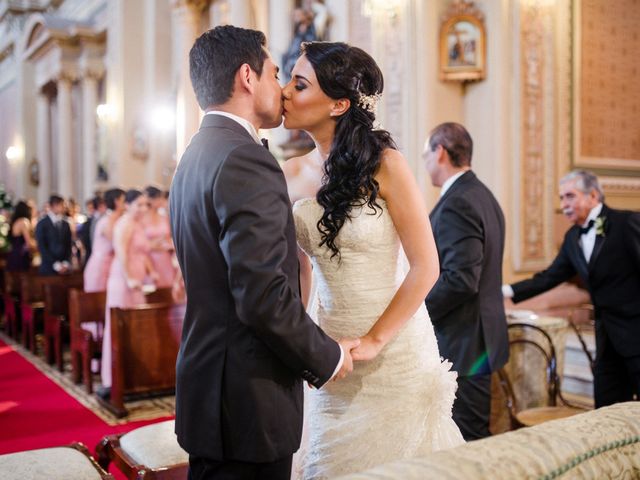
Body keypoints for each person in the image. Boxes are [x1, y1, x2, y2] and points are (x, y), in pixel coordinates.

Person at [169, 26, 357, 480]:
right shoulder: (243, 158)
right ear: (248, 77)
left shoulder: (195, 154)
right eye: (276, 74)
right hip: (246, 403)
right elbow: (262, 297)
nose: (282, 89)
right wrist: (329, 357)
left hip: (212, 392)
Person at [282, 42, 463, 478]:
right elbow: (301, 271)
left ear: (339, 103)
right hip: (330, 352)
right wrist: (302, 342)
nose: (284, 91)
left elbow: (427, 266)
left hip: (397, 350)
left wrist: (378, 339)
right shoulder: (286, 174)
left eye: (299, 84)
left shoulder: (386, 164)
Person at [504, 170, 640, 408]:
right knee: (606, 411)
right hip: (607, 341)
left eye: (570, 196)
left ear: (593, 195)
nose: (563, 205)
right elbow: (548, 277)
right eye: (561, 198)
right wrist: (506, 291)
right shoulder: (572, 238)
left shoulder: (625, 223)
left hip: (636, 335)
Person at [422, 122, 509, 441]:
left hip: (464, 341)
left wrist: (416, 312)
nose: (426, 163)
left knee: (466, 437)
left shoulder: (459, 201)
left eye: (426, 154)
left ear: (440, 152)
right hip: (478, 337)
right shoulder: (483, 195)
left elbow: (460, 280)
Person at [98, 189, 155, 399]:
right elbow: (121, 252)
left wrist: (151, 272)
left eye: (145, 205)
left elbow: (143, 251)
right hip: (123, 281)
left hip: (137, 281)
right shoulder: (124, 223)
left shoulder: (139, 224)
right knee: (119, 327)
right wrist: (130, 277)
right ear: (128, 205)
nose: (143, 209)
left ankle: (133, 377)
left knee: (136, 327)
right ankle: (113, 377)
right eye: (138, 204)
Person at [83, 188, 126, 293]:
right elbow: (117, 244)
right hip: (100, 266)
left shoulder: (118, 219)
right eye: (124, 200)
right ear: (116, 201)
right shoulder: (107, 221)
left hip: (112, 264)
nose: (126, 204)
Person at [143, 185, 175, 288]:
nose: (162, 200)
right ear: (151, 200)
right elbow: (140, 243)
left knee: (167, 289)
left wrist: (170, 245)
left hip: (165, 258)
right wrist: (156, 245)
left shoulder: (164, 217)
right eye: (159, 198)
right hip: (149, 258)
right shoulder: (142, 219)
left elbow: (169, 237)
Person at [35, 194, 73, 275]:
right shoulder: (42, 224)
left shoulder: (65, 224)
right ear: (54, 206)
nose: (64, 207)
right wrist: (56, 265)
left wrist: (66, 263)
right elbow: (42, 247)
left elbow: (68, 244)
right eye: (62, 205)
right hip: (48, 268)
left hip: (65, 268)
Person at [6, 200, 36, 272]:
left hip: (13, 255)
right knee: (24, 280)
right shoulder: (24, 221)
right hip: (21, 256)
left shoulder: (15, 221)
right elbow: (28, 242)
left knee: (14, 280)